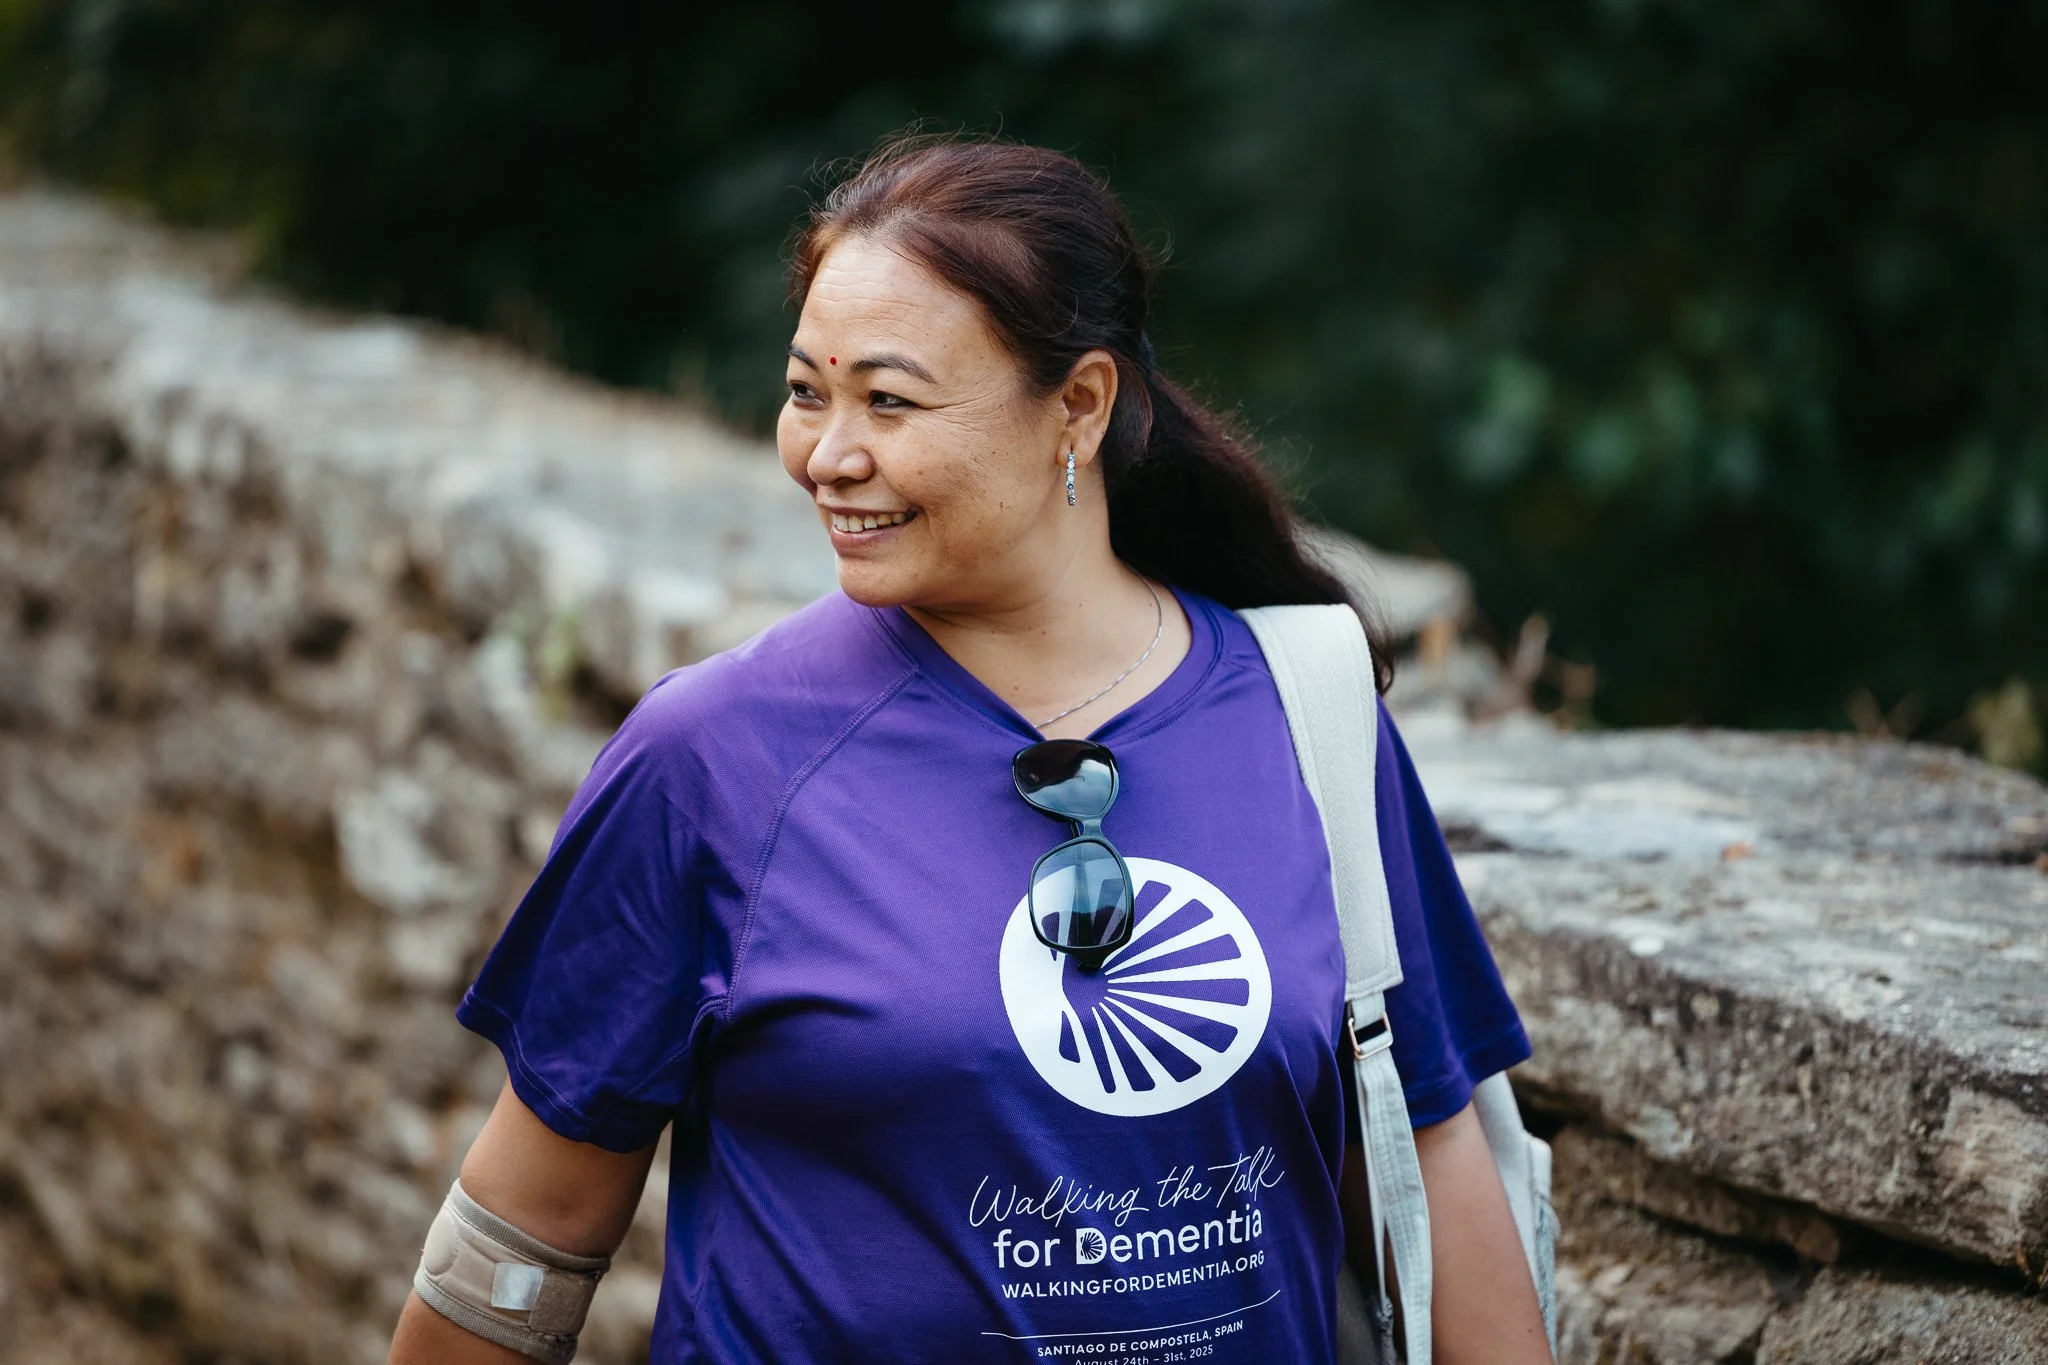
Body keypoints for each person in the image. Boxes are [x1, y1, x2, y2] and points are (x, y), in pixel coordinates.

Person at [388, 133, 1551, 1365]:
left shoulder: (1302, 710)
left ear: (1080, 406)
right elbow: (522, 1235)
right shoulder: (712, 760)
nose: (828, 456)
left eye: (887, 401)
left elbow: (1429, 1144)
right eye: (804, 391)